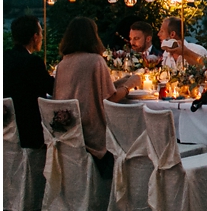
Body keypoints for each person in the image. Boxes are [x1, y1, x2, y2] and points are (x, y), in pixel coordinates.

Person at [52, 17, 140, 173]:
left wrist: (120, 82)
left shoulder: (62, 64)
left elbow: (92, 90)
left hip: (68, 135)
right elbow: (110, 99)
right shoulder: (95, 61)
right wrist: (129, 85)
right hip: (91, 138)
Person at [3, 15, 54, 149]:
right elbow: (53, 89)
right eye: (41, 33)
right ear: (35, 37)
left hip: (6, 128)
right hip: (31, 132)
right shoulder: (33, 63)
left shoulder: (5, 59)